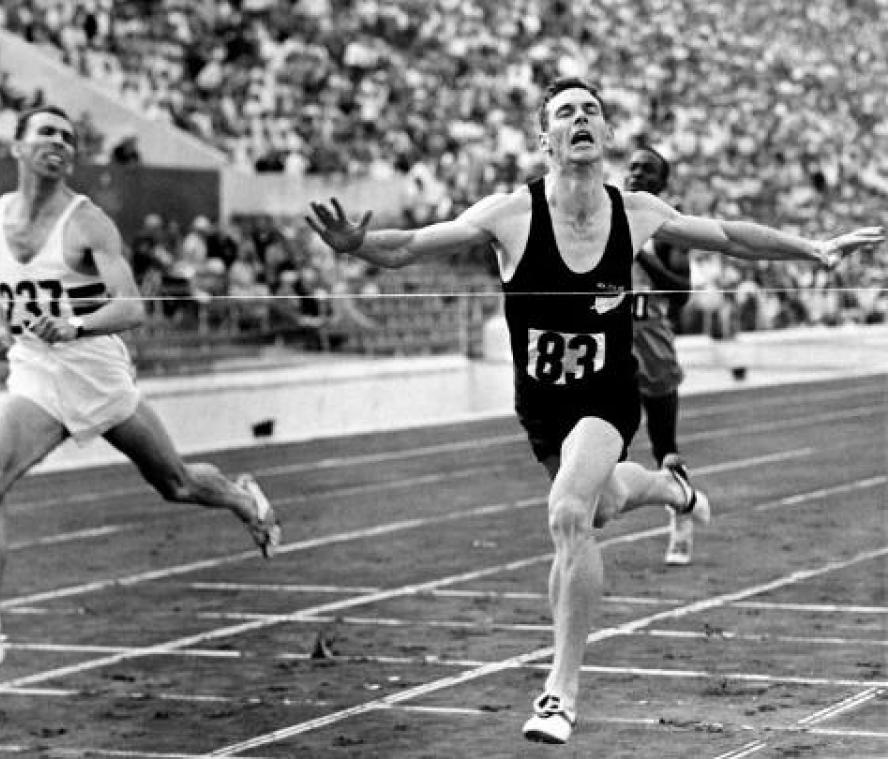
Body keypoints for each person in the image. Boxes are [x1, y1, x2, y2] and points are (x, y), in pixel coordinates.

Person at [305, 78, 883, 746]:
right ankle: (670, 487)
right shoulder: (508, 214)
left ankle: (560, 691)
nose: (581, 119)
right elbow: (407, 245)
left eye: (592, 112)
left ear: (606, 136)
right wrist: (357, 246)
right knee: (604, 503)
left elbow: (729, 237)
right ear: (543, 137)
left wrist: (811, 247)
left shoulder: (633, 211)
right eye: (565, 113)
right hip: (542, 407)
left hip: (608, 396)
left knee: (568, 512)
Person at [0, 106, 281, 673]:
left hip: (95, 370)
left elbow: (132, 306)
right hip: (36, 375)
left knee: (174, 483)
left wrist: (73, 324)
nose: (59, 143)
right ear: (17, 147)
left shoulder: (88, 221)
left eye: (69, 138)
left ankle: (244, 500)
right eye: (46, 133)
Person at [624, 146, 695, 566]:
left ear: (662, 183)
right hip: (610, 343)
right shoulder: (607, 219)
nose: (636, 174)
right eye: (632, 167)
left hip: (653, 344)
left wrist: (642, 255)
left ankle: (681, 514)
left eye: (647, 170)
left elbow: (682, 293)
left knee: (663, 445)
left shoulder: (671, 227)